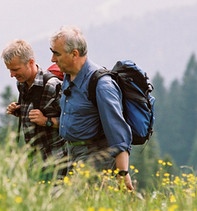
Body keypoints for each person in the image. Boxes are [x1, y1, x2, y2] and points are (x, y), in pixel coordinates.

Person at [49, 26, 134, 190]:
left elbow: (118, 131)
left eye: (57, 53)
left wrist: (123, 174)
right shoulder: (68, 76)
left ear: (74, 54)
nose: (52, 59)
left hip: (94, 158)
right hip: (71, 156)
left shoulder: (102, 85)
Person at [1, 39, 65, 173]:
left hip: (58, 161)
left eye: (15, 69)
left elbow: (73, 121)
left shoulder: (53, 85)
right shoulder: (22, 84)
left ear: (30, 62)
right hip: (36, 162)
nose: (12, 75)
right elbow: (37, 112)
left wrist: (46, 121)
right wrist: (20, 111)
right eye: (10, 70)